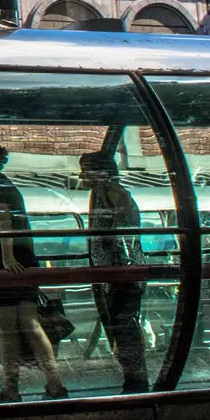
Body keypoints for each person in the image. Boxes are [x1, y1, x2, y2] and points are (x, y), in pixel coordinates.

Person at [0, 137, 66, 402]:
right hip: (26, 257)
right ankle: (54, 383)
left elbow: (2, 219)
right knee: (29, 324)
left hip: (6, 258)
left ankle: (11, 387)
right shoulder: (6, 182)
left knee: (6, 329)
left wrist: (5, 257)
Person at [80, 150, 148, 394]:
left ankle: (136, 380)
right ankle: (133, 378)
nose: (82, 174)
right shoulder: (99, 192)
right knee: (122, 325)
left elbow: (122, 202)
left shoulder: (109, 188)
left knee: (123, 325)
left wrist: (111, 229)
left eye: (86, 168)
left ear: (101, 170)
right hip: (115, 272)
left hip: (122, 271)